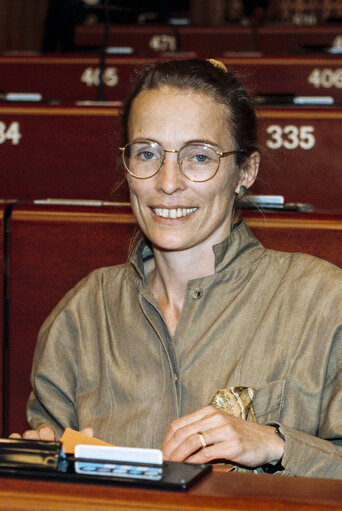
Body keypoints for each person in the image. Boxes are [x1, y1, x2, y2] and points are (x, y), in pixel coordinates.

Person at [11, 59, 342, 478]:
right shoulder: (83, 313)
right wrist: (36, 462)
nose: (168, 182)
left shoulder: (324, 301)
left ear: (246, 171)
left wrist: (276, 445)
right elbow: (45, 478)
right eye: (148, 153)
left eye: (199, 157)